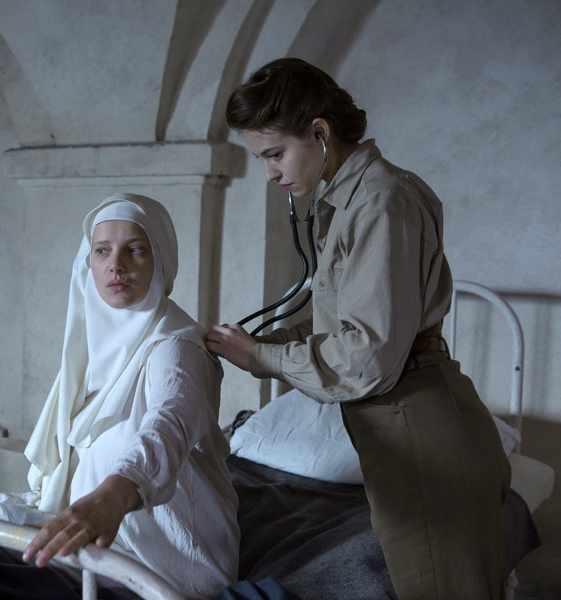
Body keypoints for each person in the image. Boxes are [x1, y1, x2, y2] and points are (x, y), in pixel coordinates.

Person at [204, 58, 511, 599]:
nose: (270, 174)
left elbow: (367, 356)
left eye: (274, 154)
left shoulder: (381, 201)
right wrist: (255, 344)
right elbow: (340, 319)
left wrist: (262, 358)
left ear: (320, 133)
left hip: (421, 431)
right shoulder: (350, 203)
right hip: (398, 427)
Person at [0, 193, 239, 599]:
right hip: (102, 535)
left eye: (135, 249)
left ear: (161, 260)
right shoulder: (97, 348)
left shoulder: (176, 346)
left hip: (165, 556)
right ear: (88, 262)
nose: (116, 265)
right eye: (102, 251)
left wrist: (113, 496)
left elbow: (170, 422)